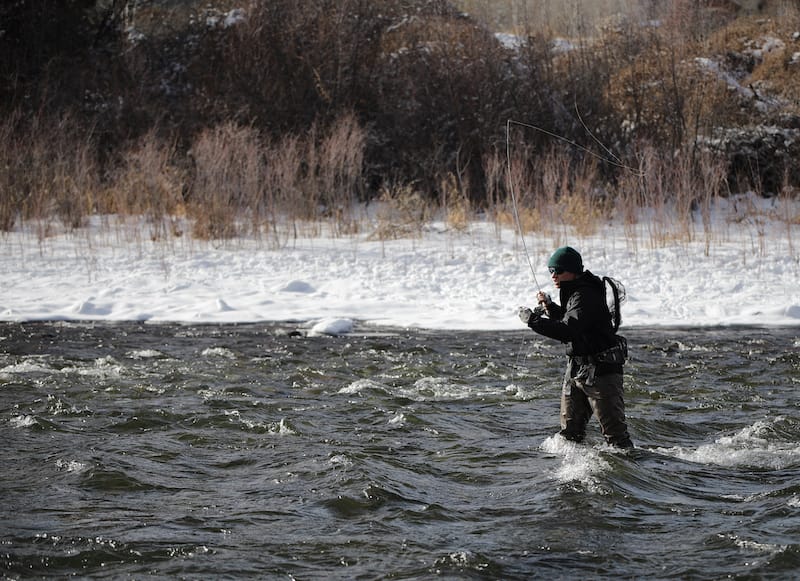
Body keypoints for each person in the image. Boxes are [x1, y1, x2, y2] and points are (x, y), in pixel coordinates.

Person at [518, 246, 633, 448]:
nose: (554, 275)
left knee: (617, 440)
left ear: (573, 271)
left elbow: (568, 331)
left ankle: (629, 473)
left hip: (601, 373)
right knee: (570, 436)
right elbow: (572, 321)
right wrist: (549, 307)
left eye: (559, 271)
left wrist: (533, 321)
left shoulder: (584, 295)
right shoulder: (575, 292)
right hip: (577, 370)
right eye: (551, 270)